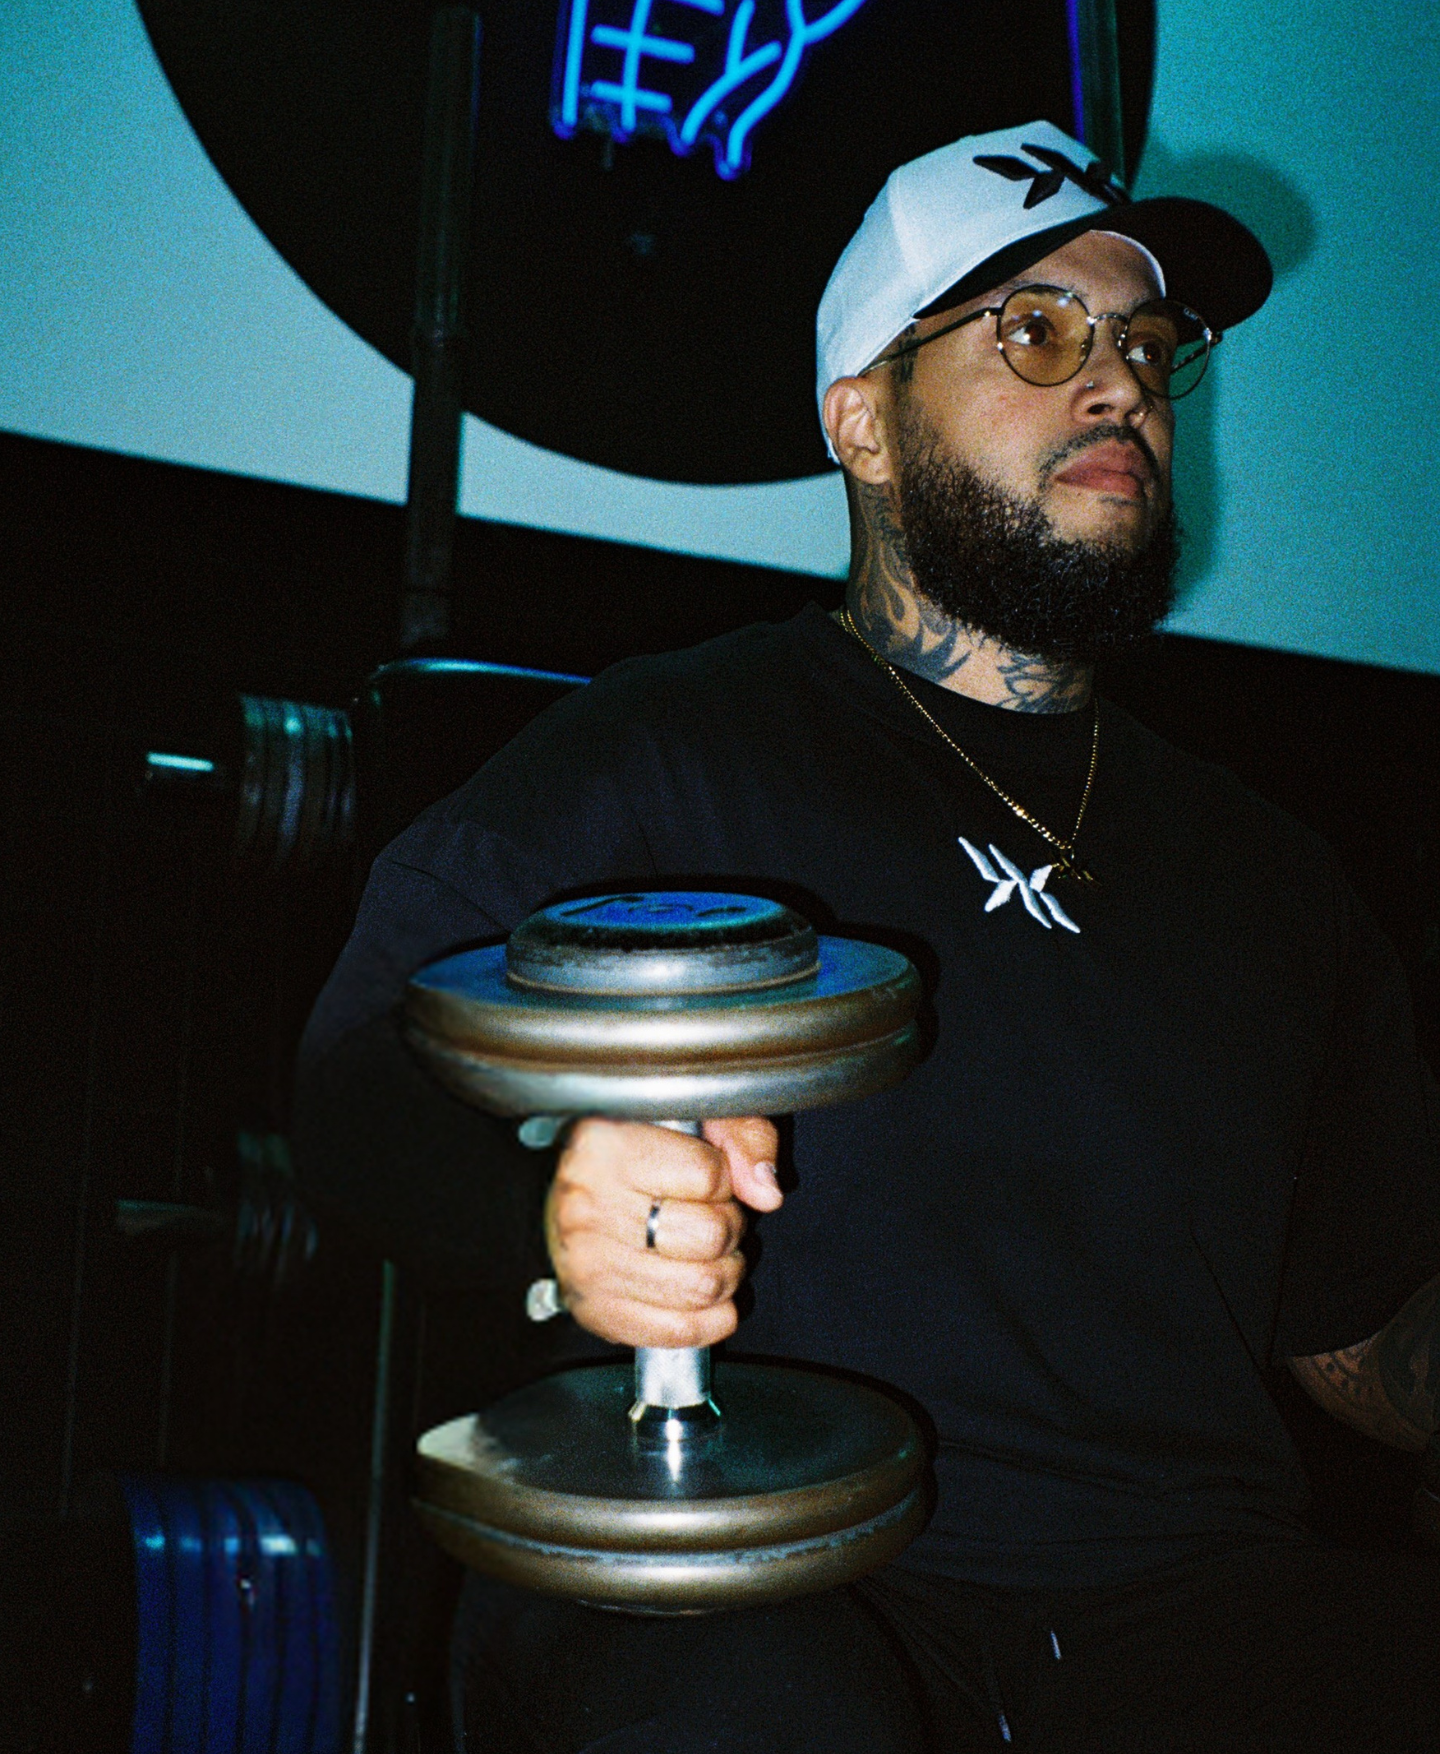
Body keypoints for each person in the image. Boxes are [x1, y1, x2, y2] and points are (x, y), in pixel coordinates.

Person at [295, 123, 1440, 1752]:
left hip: (1185, 1607)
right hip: (749, 1577)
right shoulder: (669, 749)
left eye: (1144, 344)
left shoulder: (1275, 879)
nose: (1115, 384)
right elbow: (355, 1085)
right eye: (1036, 332)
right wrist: (549, 1203)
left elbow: (1357, 1332)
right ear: (864, 424)